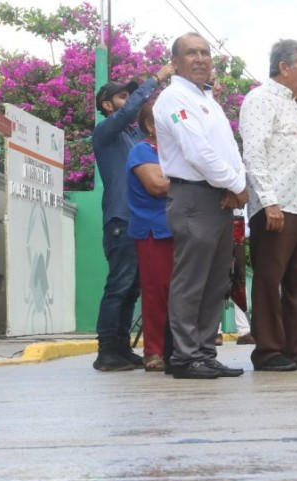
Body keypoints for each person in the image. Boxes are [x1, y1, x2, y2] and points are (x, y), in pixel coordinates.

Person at [153, 32, 248, 379]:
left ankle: (205, 353)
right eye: (191, 53)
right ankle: (184, 355)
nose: (200, 59)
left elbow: (228, 150)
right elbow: (197, 152)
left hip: (218, 197)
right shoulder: (173, 98)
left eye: (205, 53)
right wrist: (237, 185)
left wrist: (236, 185)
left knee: (214, 282)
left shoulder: (206, 99)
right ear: (174, 62)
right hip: (193, 195)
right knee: (191, 281)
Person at [240, 39, 297, 372]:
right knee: (269, 279)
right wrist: (269, 201)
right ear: (284, 67)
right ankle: (268, 351)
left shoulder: (292, 104)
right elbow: (254, 153)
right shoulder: (260, 99)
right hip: (276, 206)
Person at [91, 63, 173, 371]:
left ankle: (121, 348)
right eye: (122, 96)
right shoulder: (106, 132)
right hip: (121, 220)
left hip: (137, 223)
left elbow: (151, 121)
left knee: (133, 288)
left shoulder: (135, 136)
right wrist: (156, 79)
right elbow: (130, 113)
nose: (129, 101)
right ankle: (106, 350)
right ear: (107, 105)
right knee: (119, 285)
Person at [125, 99, 172, 372]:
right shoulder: (142, 150)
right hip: (154, 229)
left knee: (181, 292)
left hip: (181, 228)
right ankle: (154, 350)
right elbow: (156, 185)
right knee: (157, 292)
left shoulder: (176, 151)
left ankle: (177, 348)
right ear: (150, 125)